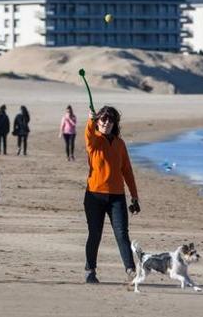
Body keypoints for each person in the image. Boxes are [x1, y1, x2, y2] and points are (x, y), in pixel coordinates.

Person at [83, 106, 140, 284]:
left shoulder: (119, 143)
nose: (107, 122)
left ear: (115, 123)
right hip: (94, 195)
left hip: (117, 196)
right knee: (95, 234)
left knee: (122, 234)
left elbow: (127, 170)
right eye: (103, 119)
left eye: (110, 120)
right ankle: (90, 270)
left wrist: (134, 196)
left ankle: (130, 270)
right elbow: (88, 135)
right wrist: (90, 120)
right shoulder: (93, 141)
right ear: (98, 121)